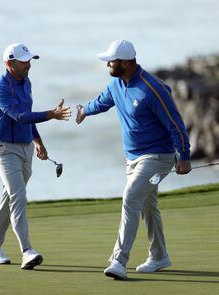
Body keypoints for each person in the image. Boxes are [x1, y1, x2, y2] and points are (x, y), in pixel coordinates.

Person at [76, 40, 191, 279]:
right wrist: (83, 110)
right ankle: (159, 256)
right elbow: (101, 102)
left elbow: (175, 124)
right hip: (133, 158)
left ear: (126, 62)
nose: (108, 63)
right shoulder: (116, 84)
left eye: (112, 60)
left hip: (158, 156)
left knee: (130, 198)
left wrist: (184, 156)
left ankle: (118, 260)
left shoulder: (153, 88)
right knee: (148, 207)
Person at [0, 43, 71, 270]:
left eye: (29, 60)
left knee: (11, 196)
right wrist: (51, 114)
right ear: (9, 63)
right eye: (24, 61)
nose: (29, 65)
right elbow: (20, 116)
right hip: (4, 150)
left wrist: (38, 142)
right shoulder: (0, 88)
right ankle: (27, 251)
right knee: (18, 196)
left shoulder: (26, 83)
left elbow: (28, 119)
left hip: (25, 149)